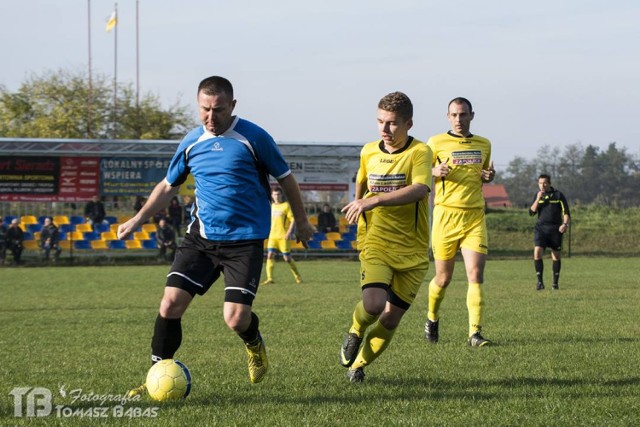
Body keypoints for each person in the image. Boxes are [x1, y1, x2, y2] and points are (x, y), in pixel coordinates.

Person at [119, 76, 314, 396]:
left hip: (245, 241)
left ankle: (254, 343)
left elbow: (286, 179)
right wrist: (139, 219)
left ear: (232, 106)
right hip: (201, 239)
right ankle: (156, 374)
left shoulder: (254, 138)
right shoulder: (192, 142)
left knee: (236, 319)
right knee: (169, 305)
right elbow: (169, 186)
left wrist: (303, 222)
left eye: (218, 110)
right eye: (205, 110)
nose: (211, 117)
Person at [339, 91, 432, 383]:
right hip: (376, 240)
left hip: (413, 249)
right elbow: (361, 182)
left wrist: (374, 200)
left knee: (391, 318)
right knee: (374, 305)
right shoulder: (368, 151)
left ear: (408, 124)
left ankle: (359, 366)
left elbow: (420, 189)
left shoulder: (420, 152)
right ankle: (356, 328)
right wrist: (359, 205)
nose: (385, 129)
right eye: (380, 122)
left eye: (392, 123)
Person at [423, 97, 496, 348]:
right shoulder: (435, 142)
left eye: (463, 115)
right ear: (447, 116)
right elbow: (419, 171)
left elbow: (485, 173)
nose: (458, 120)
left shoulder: (484, 144)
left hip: (474, 216)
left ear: (471, 116)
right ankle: (432, 318)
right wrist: (434, 172)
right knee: (443, 279)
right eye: (454, 115)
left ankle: (475, 333)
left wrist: (489, 176)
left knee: (475, 275)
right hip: (445, 217)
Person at [529, 174, 571, 290]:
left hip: (555, 229)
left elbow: (566, 212)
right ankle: (540, 282)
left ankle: (555, 283)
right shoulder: (537, 196)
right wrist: (538, 199)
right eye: (540, 183)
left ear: (549, 183)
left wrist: (565, 224)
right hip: (541, 229)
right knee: (537, 252)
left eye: (544, 183)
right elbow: (531, 212)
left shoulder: (558, 195)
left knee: (556, 256)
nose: (542, 185)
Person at [262, 187, 303, 285]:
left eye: (278, 194)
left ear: (281, 195)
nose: (276, 196)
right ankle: (270, 278)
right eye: (275, 194)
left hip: (283, 236)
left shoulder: (286, 206)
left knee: (287, 258)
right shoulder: (271, 206)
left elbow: (292, 219)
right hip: (272, 236)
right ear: (272, 196)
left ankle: (298, 276)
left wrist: (289, 232)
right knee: (270, 255)